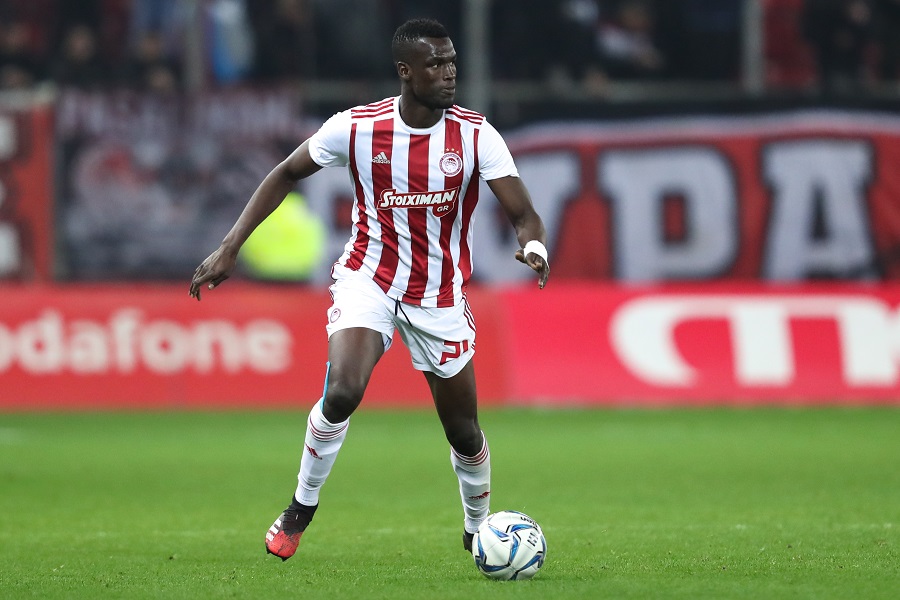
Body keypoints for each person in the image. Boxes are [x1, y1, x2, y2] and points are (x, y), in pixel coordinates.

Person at [188, 17, 550, 561]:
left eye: (452, 62)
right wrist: (230, 246)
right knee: (342, 391)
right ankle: (300, 508)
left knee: (463, 431)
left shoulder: (477, 135)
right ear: (406, 71)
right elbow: (285, 173)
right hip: (369, 279)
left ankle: (477, 529)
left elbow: (523, 214)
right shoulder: (357, 128)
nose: (449, 73)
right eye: (436, 63)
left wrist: (534, 245)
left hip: (439, 295)